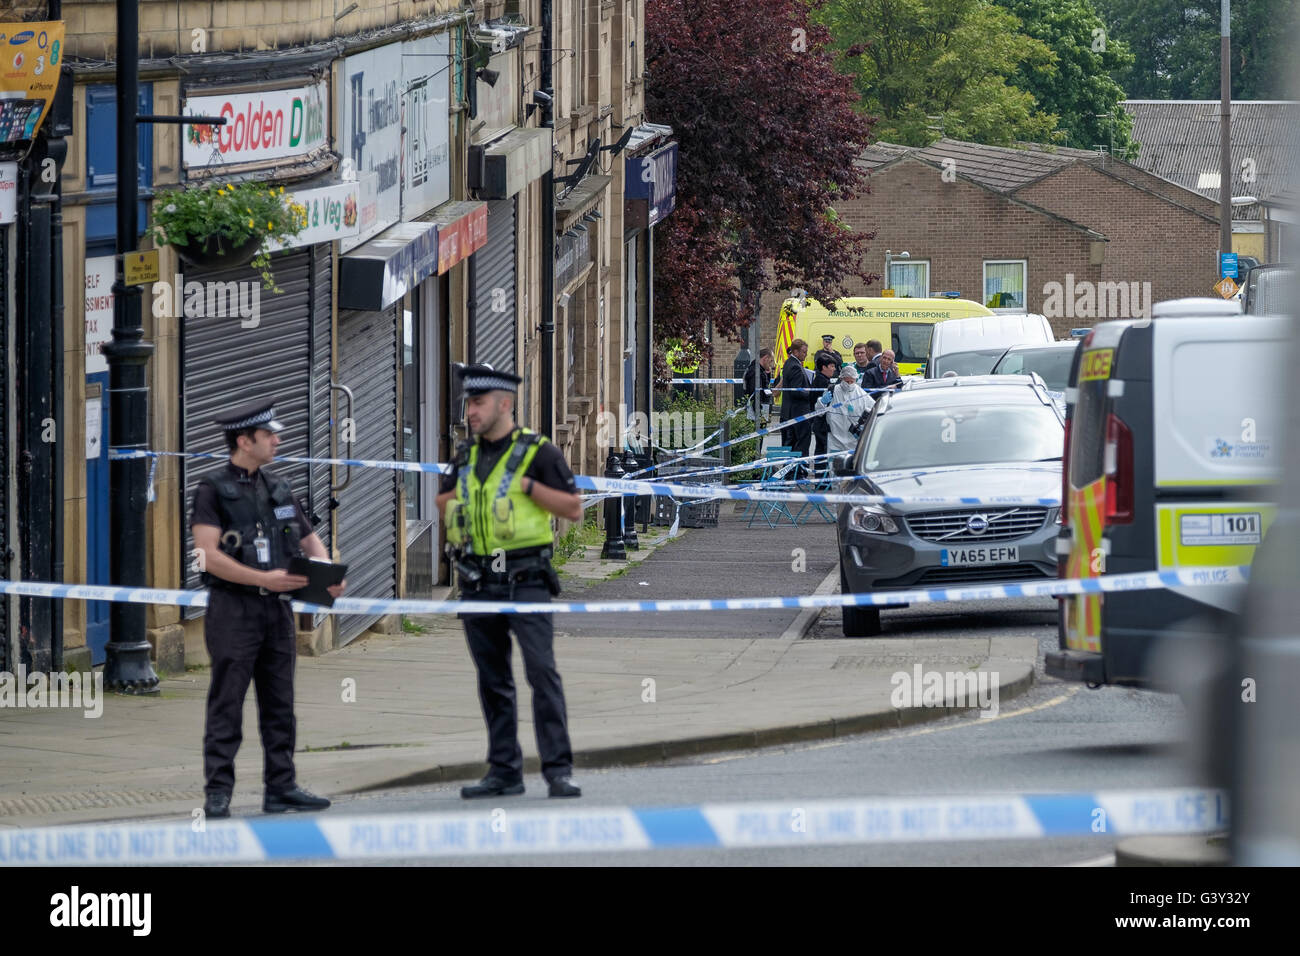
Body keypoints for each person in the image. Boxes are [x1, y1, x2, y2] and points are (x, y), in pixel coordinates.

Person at [190, 400, 344, 819]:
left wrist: (326, 572)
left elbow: (310, 540)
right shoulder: (212, 489)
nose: (277, 440)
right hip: (233, 610)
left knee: (281, 703)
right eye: (269, 435)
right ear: (244, 441)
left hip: (277, 613)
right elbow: (206, 555)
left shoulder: (277, 486)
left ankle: (282, 786)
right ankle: (218, 792)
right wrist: (263, 579)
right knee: (228, 702)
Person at [437, 364, 585, 800]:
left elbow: (572, 508)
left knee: (541, 672)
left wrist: (526, 487)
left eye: (478, 402)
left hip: (526, 579)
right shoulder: (464, 454)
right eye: (468, 403)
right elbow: (443, 499)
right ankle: (504, 770)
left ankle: (558, 770)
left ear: (505, 403)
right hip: (478, 580)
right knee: (492, 678)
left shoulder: (537, 452)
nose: (471, 411)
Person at [821, 364, 873, 453]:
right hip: (835, 441)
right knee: (834, 466)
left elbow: (874, 409)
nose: (849, 384)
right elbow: (819, 412)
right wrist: (822, 402)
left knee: (851, 466)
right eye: (847, 381)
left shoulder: (862, 394)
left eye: (851, 382)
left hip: (853, 442)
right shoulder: (832, 391)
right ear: (841, 379)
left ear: (855, 380)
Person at [779, 339, 813, 463]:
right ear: (795, 351)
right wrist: (811, 393)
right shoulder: (795, 366)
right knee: (800, 444)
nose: (805, 354)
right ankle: (799, 473)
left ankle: (791, 473)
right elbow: (796, 391)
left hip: (791, 412)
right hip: (798, 412)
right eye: (803, 352)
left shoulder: (790, 363)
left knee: (790, 445)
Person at [810, 355, 839, 474]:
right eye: (831, 366)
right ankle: (822, 478)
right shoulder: (821, 381)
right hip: (821, 422)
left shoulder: (822, 379)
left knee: (821, 449)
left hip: (821, 422)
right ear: (823, 367)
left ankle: (821, 478)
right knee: (822, 450)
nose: (834, 369)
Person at [743, 348, 776, 424]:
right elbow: (755, 394)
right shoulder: (755, 372)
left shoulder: (761, 371)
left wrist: (767, 374)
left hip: (761, 410)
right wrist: (759, 414)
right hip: (756, 413)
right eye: (771, 360)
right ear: (765, 358)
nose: (771, 364)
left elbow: (765, 387)